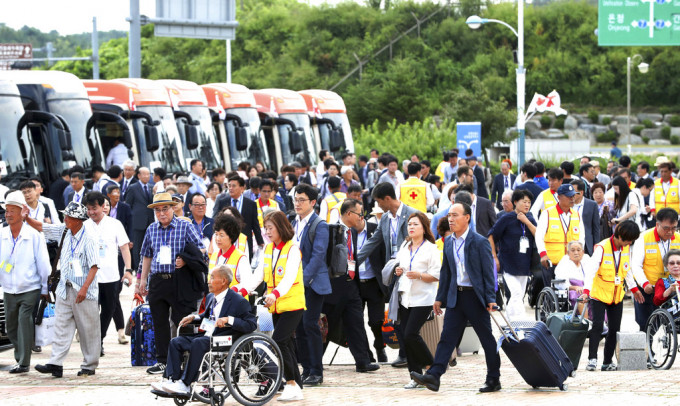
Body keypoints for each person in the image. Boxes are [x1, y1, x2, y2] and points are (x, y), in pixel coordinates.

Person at [410, 202, 501, 393]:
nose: (451, 219)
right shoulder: (448, 242)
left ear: (467, 217)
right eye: (449, 215)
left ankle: (494, 379)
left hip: (475, 298)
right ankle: (434, 376)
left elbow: (488, 273)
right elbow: (447, 273)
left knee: (486, 339)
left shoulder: (479, 241)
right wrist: (440, 297)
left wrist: (491, 298)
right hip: (455, 298)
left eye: (455, 215)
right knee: (447, 338)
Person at [152, 265, 257, 395]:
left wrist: (228, 319)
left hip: (224, 339)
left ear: (224, 281)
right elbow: (207, 317)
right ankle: (172, 380)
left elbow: (251, 324)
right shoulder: (211, 297)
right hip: (207, 336)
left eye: (212, 277)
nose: (208, 281)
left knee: (198, 343)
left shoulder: (238, 301)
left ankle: (185, 384)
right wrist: (194, 317)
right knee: (176, 342)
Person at [137, 192, 206, 375]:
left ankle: (186, 359)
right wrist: (142, 280)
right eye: (158, 210)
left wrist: (184, 259)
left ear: (173, 208)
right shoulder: (152, 229)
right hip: (158, 280)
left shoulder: (184, 226)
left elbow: (200, 251)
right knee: (159, 322)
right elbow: (146, 255)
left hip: (179, 280)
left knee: (182, 321)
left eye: (165, 209)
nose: (162, 213)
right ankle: (162, 361)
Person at [33, 202, 100, 378]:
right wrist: (25, 218)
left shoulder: (90, 238)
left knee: (88, 330)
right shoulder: (64, 231)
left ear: (78, 220)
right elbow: (42, 227)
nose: (65, 219)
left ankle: (89, 365)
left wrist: (84, 289)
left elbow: (94, 267)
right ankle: (55, 363)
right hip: (64, 288)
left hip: (83, 290)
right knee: (61, 326)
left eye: (68, 216)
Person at [357, 182, 419, 368]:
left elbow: (421, 241)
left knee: (410, 313)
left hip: (408, 271)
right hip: (392, 272)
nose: (378, 206)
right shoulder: (384, 219)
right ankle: (404, 352)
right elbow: (374, 241)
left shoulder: (412, 215)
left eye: (379, 202)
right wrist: (354, 261)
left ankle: (411, 352)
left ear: (387, 199)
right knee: (396, 314)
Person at [325, 200, 381, 374]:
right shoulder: (330, 231)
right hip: (334, 287)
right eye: (359, 214)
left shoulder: (354, 233)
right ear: (349, 214)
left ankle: (363, 361)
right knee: (328, 326)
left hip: (352, 286)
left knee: (356, 324)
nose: (361, 218)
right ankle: (311, 362)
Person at [0, 192, 50, 373]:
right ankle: (20, 356)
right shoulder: (2, 234)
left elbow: (44, 263)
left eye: (13, 211)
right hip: (8, 288)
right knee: (11, 327)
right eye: (7, 211)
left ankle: (23, 363)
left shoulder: (33, 235)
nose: (9, 214)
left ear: (22, 212)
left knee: (24, 321)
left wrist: (45, 287)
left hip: (30, 287)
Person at [582, 221, 643, 371]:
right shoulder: (602, 248)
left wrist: (634, 288)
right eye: (628, 240)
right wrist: (586, 291)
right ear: (619, 235)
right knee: (597, 326)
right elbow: (591, 272)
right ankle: (592, 359)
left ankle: (607, 361)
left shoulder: (626, 248)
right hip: (599, 294)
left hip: (616, 295)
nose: (629, 243)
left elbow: (626, 269)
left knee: (614, 329)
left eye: (632, 241)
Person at [260, 211, 306, 402]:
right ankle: (296, 386)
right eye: (266, 228)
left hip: (292, 303)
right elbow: (259, 274)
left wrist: (274, 293)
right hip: (276, 306)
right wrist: (242, 289)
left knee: (279, 341)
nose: (267, 232)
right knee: (285, 343)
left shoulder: (293, 249)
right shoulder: (269, 249)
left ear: (281, 227)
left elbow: (288, 278)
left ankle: (291, 383)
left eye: (270, 228)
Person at [394, 212, 441, 389]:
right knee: (407, 338)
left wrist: (420, 275)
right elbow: (399, 264)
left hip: (423, 298)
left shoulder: (431, 248)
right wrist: (398, 270)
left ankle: (433, 366)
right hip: (406, 296)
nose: (411, 227)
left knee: (410, 334)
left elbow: (436, 275)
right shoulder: (405, 245)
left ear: (424, 227)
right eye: (409, 224)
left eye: (415, 224)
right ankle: (415, 377)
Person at [290, 184, 331, 386]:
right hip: (294, 283)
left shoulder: (319, 224)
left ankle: (317, 370)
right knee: (298, 327)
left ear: (313, 203)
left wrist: (303, 281)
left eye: (301, 200)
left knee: (310, 324)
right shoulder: (293, 223)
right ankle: (306, 369)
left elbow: (317, 257)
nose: (297, 203)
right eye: (295, 199)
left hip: (312, 284)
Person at [489, 189, 536, 320]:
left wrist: (526, 221)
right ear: (515, 202)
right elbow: (491, 236)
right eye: (524, 201)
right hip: (508, 263)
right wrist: (494, 257)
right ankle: (519, 322)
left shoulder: (530, 218)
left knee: (519, 296)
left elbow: (539, 235)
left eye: (529, 202)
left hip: (524, 263)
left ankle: (510, 322)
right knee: (515, 293)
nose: (527, 204)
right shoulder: (506, 218)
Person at [631, 208, 680, 331]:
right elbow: (636, 265)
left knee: (672, 324)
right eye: (666, 228)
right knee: (646, 325)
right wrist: (644, 283)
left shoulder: (678, 238)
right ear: (657, 224)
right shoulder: (643, 238)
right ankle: (647, 348)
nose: (670, 232)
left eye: (674, 228)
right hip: (649, 288)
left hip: (671, 288)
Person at [212, 175, 264, 259]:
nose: (230, 188)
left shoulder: (251, 204)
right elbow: (216, 221)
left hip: (245, 242)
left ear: (242, 188)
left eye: (234, 186)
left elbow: (255, 224)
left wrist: (260, 241)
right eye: (229, 186)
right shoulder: (222, 202)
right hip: (226, 241)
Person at [536, 184, 585, 268]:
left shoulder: (576, 214)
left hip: (571, 262)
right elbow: (539, 236)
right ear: (559, 197)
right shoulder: (547, 213)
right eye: (569, 196)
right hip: (552, 262)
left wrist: (579, 255)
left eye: (573, 196)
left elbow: (581, 237)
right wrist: (543, 254)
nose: (572, 199)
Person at [208, 214, 254, 298]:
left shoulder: (241, 257)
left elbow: (247, 282)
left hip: (235, 304)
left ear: (231, 237)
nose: (217, 238)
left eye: (221, 235)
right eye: (216, 234)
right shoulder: (214, 256)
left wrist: (234, 290)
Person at [125, 167, 155, 270]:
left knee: (150, 244)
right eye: (144, 174)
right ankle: (138, 267)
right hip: (137, 221)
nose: (147, 176)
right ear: (139, 175)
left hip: (150, 220)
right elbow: (128, 205)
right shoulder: (133, 188)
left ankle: (150, 266)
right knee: (137, 246)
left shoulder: (152, 187)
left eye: (148, 174)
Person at [554, 241, 590, 312]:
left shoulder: (587, 259)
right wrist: (575, 287)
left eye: (578, 250)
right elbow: (561, 281)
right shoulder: (564, 262)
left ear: (583, 252)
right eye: (573, 250)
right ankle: (586, 322)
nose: (576, 253)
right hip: (573, 289)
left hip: (587, 288)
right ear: (568, 253)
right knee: (581, 298)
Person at [571, 179, 600, 256]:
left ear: (581, 193)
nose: (570, 195)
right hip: (571, 242)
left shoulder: (592, 205)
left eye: (573, 192)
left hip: (587, 244)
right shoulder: (567, 204)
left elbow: (596, 228)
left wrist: (596, 246)